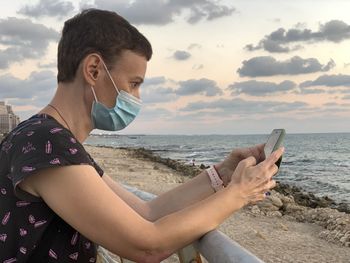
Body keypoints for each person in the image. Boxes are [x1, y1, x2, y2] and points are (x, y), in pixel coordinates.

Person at [0, 9, 284, 262]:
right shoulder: (45, 144)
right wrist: (240, 193)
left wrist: (222, 175)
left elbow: (146, 213)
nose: (136, 97)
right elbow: (146, 246)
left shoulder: (54, 142)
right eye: (133, 84)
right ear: (93, 70)